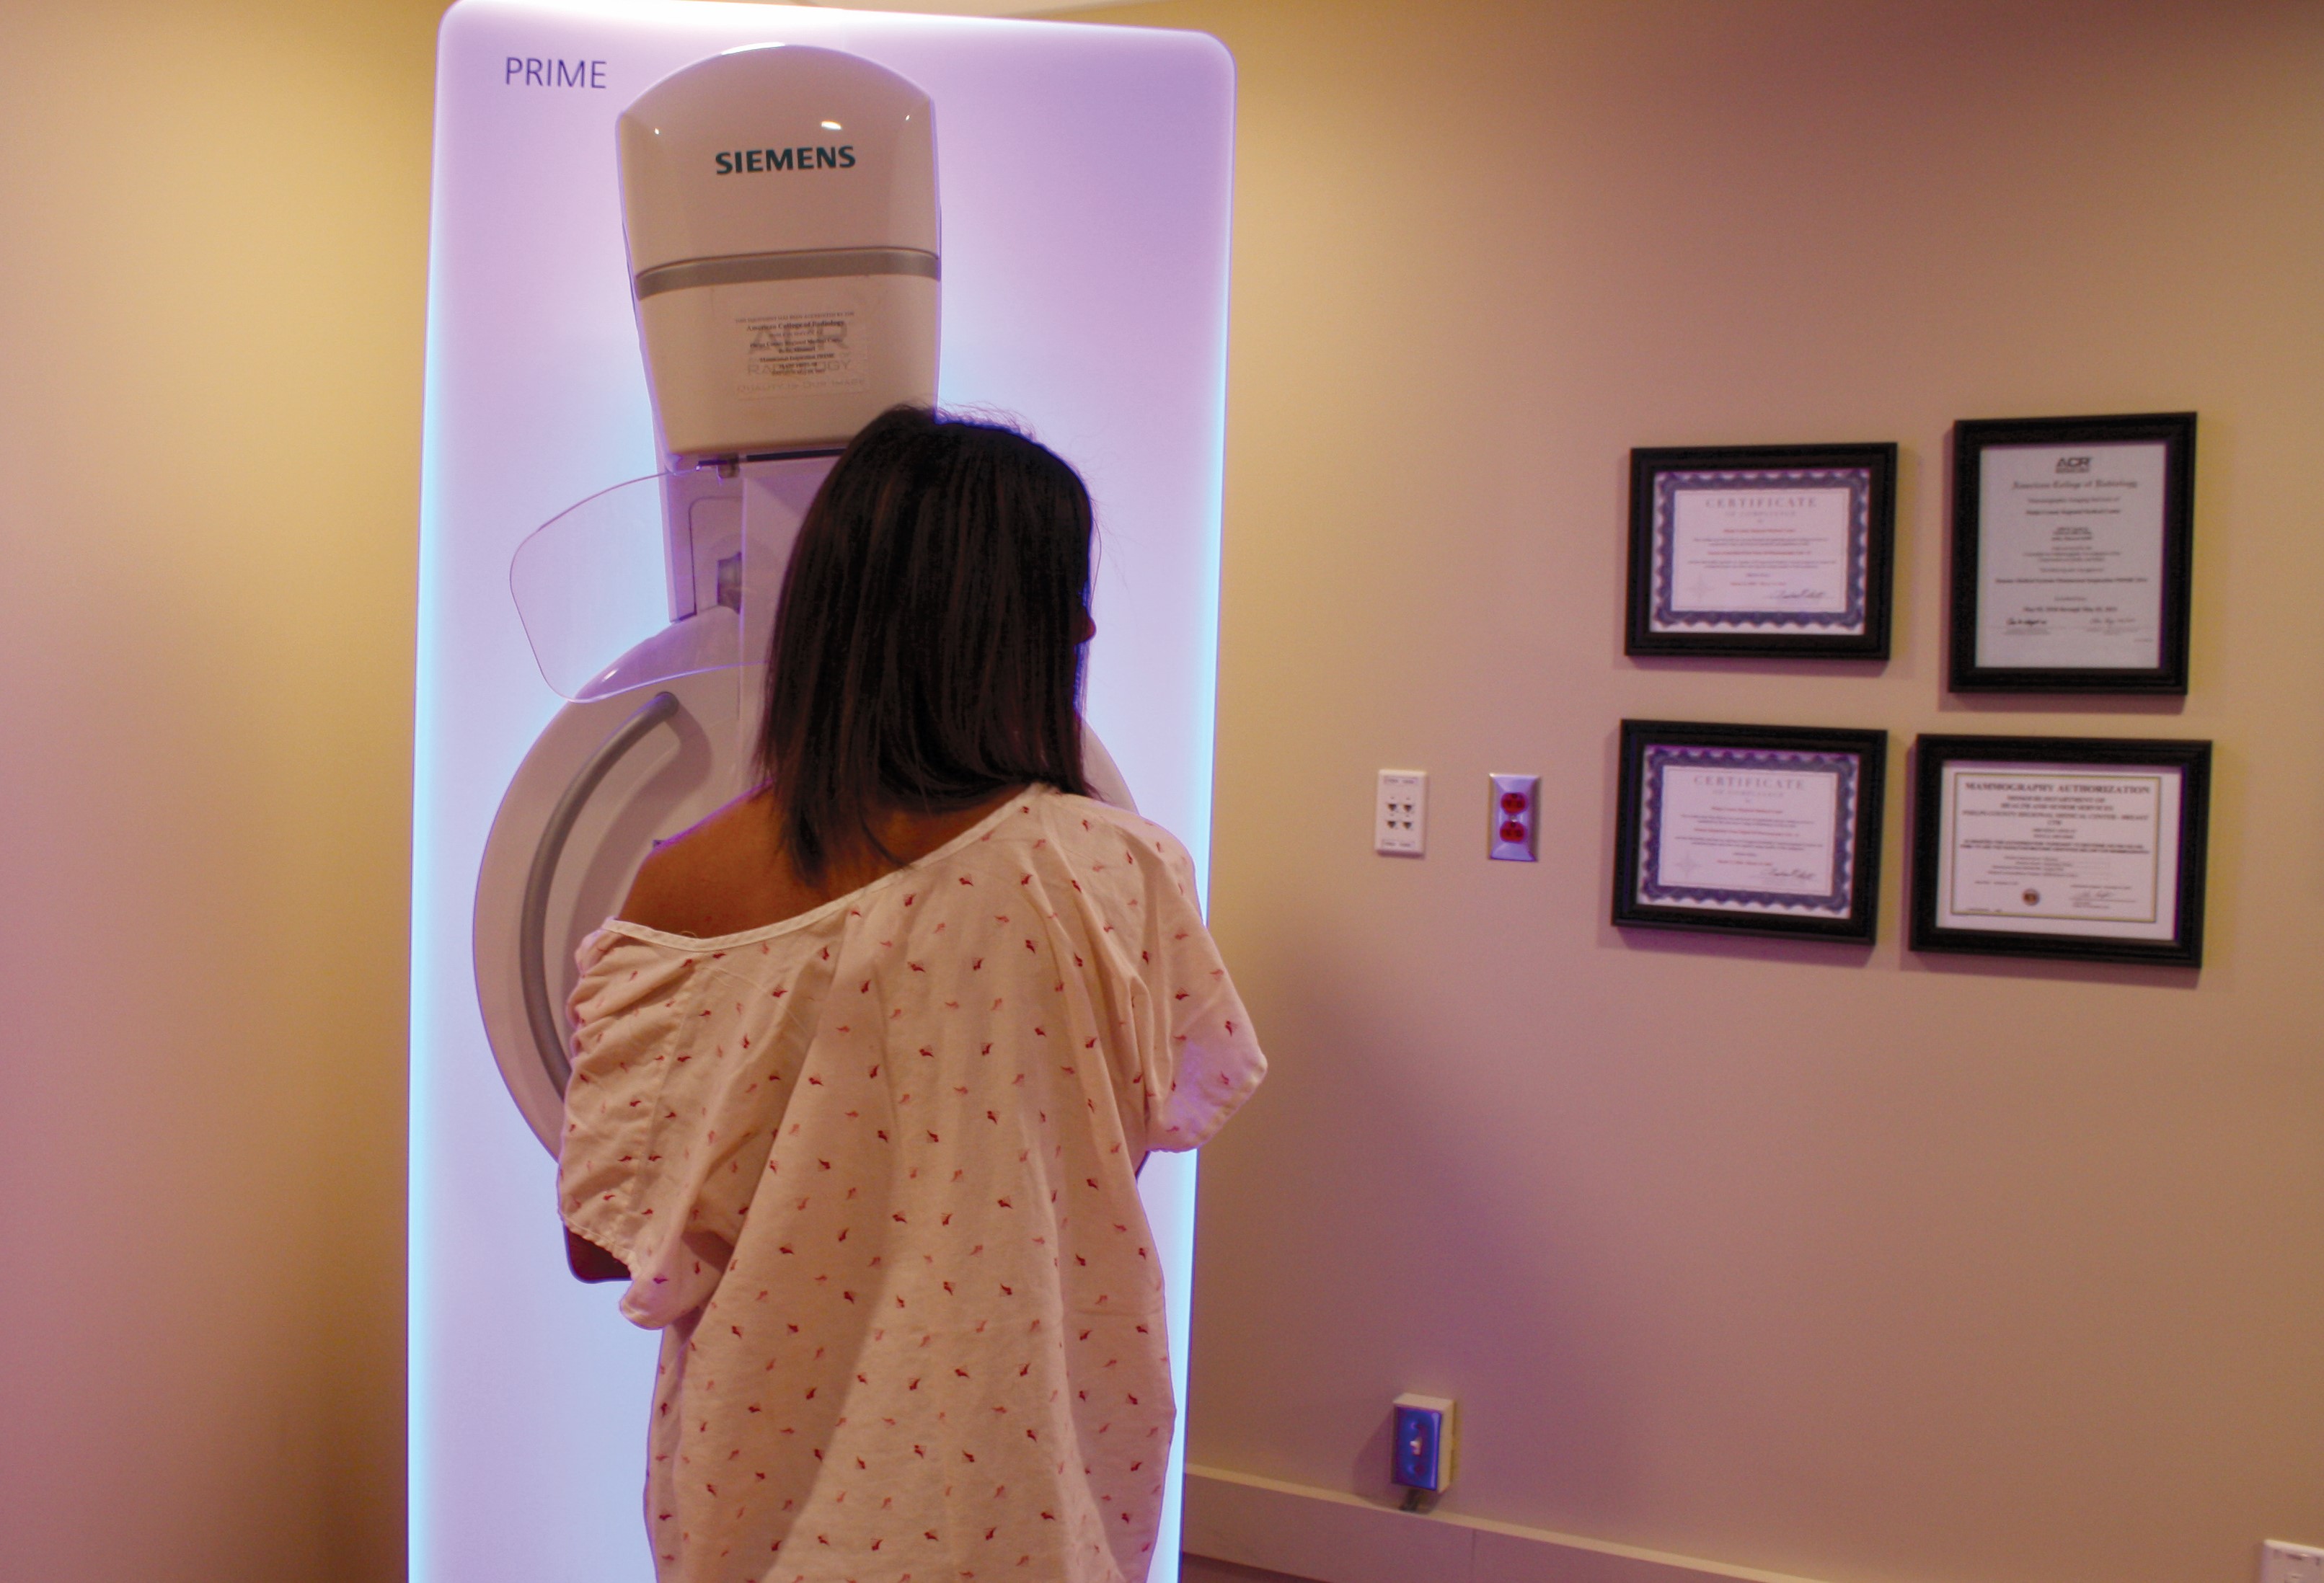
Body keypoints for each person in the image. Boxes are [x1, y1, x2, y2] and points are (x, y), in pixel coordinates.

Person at [557, 406, 1266, 1583]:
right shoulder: (1115, 874)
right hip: (1027, 1481)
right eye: (1062, 594)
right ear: (1016, 626)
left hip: (775, 1497)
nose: (1086, 622)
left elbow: (603, 1242)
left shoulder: (681, 892)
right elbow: (1101, 1151)